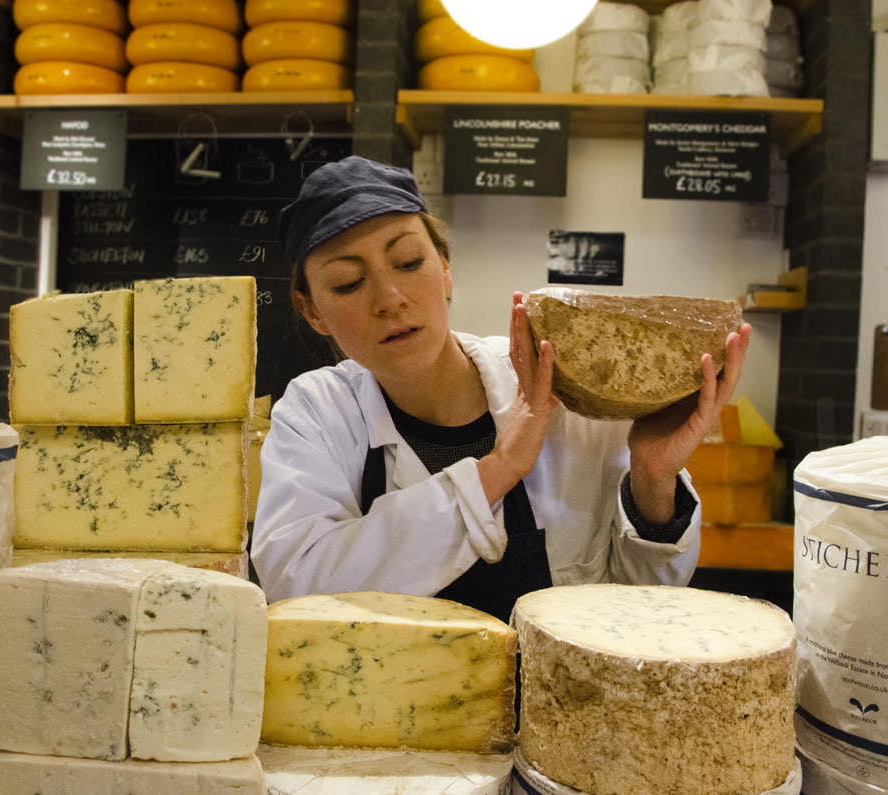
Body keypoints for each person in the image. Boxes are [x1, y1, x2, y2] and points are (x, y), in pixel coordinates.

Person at [250, 156, 752, 619]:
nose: (390, 299)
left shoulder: (565, 389)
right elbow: (296, 586)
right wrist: (498, 469)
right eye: (347, 283)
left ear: (444, 268)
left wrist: (653, 476)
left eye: (408, 262)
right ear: (312, 310)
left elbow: (645, 598)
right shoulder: (316, 412)